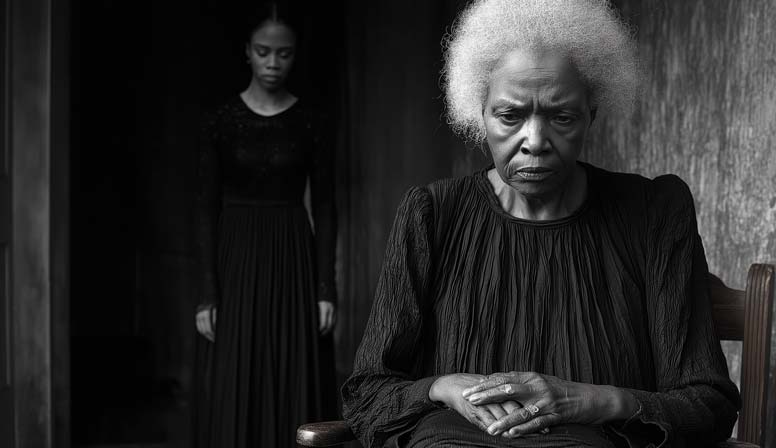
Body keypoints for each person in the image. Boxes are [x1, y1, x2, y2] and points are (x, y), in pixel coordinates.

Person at [341, 0, 740, 447]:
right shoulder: (432, 216)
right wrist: (444, 387)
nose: (535, 142)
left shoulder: (653, 214)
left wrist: (587, 399)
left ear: (592, 113)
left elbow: (707, 405)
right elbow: (367, 395)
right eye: (510, 116)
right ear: (480, 112)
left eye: (562, 116)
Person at [193, 3, 338, 446]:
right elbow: (204, 207)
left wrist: (324, 289)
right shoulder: (220, 121)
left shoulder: (311, 121)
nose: (273, 63)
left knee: (293, 367)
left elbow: (328, 207)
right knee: (235, 372)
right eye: (263, 51)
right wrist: (206, 293)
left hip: (293, 253)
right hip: (235, 257)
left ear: (295, 55)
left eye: (284, 53)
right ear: (247, 52)